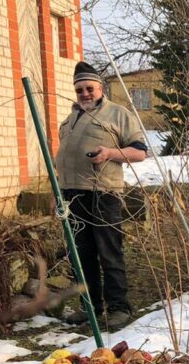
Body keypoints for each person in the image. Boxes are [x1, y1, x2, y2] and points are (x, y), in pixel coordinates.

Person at [57, 61, 147, 330]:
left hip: (103, 194)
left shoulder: (117, 114)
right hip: (72, 196)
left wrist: (109, 154)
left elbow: (140, 152)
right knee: (80, 254)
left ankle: (119, 308)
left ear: (100, 88)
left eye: (89, 88)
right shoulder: (69, 119)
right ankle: (89, 307)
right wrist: (58, 191)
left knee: (108, 252)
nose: (84, 94)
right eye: (79, 90)